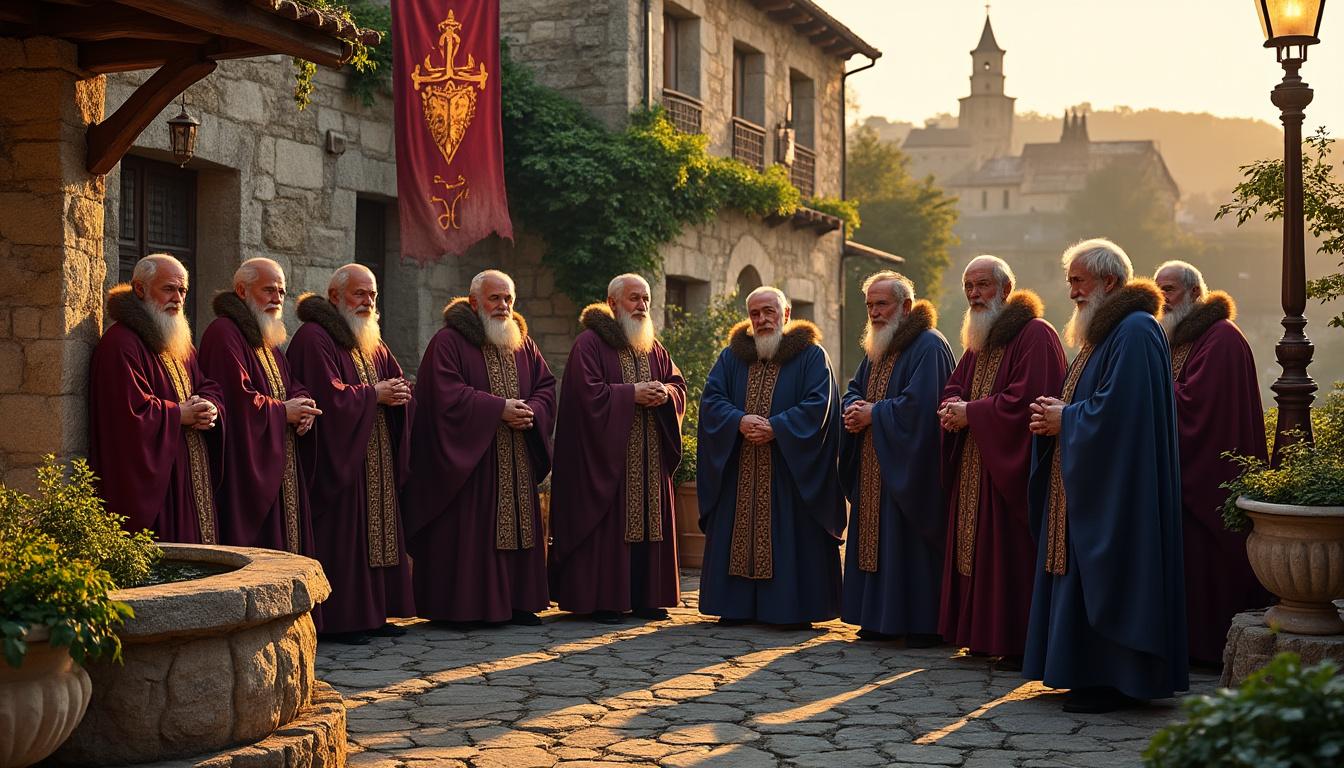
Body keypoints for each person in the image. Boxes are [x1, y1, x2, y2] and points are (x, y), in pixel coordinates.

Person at [1025, 238, 1188, 713]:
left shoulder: (1135, 330)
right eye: (1070, 281)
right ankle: (1084, 672)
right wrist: (1055, 416)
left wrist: (1068, 420)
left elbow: (1123, 414)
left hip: (1119, 490)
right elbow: (1093, 401)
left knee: (1109, 574)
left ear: (1109, 281)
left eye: (1079, 280)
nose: (1072, 291)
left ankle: (1110, 677)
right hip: (1089, 479)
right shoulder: (1105, 331)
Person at [402, 270, 557, 626]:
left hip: (515, 459)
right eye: (494, 299)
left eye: (508, 299)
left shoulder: (521, 343)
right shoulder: (449, 342)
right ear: (474, 303)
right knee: (472, 533)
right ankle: (465, 608)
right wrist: (497, 409)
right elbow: (443, 394)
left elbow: (546, 386)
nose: (503, 306)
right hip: (471, 469)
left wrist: (532, 409)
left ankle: (518, 602)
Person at [937, 257, 1065, 665]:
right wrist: (950, 406)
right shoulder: (981, 339)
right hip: (975, 463)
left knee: (1008, 555)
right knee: (973, 552)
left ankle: (1013, 640)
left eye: (983, 286)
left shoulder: (1035, 334)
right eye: (969, 287)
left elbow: (1026, 399)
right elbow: (956, 384)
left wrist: (971, 413)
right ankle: (978, 634)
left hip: (1010, 470)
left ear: (1006, 289)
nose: (974, 294)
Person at [697, 286, 844, 627]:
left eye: (769, 312)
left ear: (787, 314)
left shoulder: (810, 356)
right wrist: (739, 420)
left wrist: (778, 427)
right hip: (740, 472)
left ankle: (789, 609)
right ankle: (734, 607)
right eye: (755, 314)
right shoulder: (732, 357)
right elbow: (712, 399)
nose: (762, 320)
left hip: (790, 475)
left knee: (789, 539)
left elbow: (818, 406)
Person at [288, 264, 415, 644]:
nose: (368, 302)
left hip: (374, 459)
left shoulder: (370, 340)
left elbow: (392, 379)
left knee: (376, 535)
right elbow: (329, 396)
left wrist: (400, 394)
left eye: (372, 295)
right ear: (335, 297)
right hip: (340, 463)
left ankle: (374, 613)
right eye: (360, 294)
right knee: (345, 538)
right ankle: (343, 619)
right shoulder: (315, 337)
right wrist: (374, 395)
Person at [549, 274, 687, 624]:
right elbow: (585, 397)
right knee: (611, 525)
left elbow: (677, 384)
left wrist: (667, 395)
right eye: (634, 299)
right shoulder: (590, 344)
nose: (641, 306)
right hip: (607, 463)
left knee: (649, 523)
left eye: (646, 299)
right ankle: (604, 599)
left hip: (649, 461)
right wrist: (631, 394)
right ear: (613, 303)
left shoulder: (653, 347)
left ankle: (647, 597)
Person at [1155, 260, 1271, 666]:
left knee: (1206, 569)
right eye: (1158, 290)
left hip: (1208, 478)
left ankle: (1207, 649)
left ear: (1194, 294)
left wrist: (1147, 384)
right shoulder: (1177, 339)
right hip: (1178, 474)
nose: (1162, 300)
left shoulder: (1221, 338)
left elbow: (1198, 409)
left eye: (1168, 290)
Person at [840, 271, 954, 646]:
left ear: (906, 307)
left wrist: (875, 414)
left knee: (907, 545)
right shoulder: (879, 346)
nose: (874, 312)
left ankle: (921, 624)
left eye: (881, 304)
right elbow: (855, 388)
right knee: (876, 540)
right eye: (870, 305)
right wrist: (853, 407)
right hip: (875, 466)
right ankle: (875, 618)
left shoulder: (929, 346)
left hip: (909, 470)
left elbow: (921, 407)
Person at [89, 254, 224, 543]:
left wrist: (209, 405)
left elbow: (205, 383)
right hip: (159, 486)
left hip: (189, 474)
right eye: (169, 289)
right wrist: (179, 414)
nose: (177, 298)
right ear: (140, 289)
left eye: (183, 290)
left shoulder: (177, 340)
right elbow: (128, 414)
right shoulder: (120, 343)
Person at [199, 257, 321, 554]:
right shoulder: (224, 332)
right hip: (248, 472)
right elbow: (239, 399)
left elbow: (290, 382)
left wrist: (304, 406)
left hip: (283, 465)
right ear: (242, 291)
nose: (277, 298)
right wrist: (283, 412)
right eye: (268, 290)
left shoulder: (266, 337)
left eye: (281, 291)